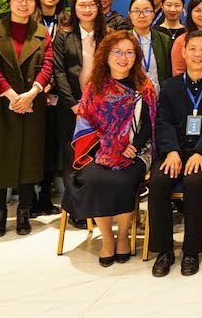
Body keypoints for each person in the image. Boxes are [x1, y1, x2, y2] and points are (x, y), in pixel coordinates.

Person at [63, 31, 156, 266]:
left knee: (123, 180)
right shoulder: (94, 86)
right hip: (98, 150)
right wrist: (105, 148)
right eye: (117, 52)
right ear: (106, 55)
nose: (123, 58)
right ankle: (107, 239)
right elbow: (85, 124)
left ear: (136, 57)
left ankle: (123, 236)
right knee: (94, 179)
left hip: (136, 150)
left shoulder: (144, 86)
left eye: (129, 53)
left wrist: (133, 146)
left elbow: (150, 125)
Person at [148, 30, 202, 277]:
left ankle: (191, 251)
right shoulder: (170, 86)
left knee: (194, 182)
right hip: (175, 151)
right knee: (158, 181)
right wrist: (171, 151)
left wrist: (200, 153)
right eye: (192, 49)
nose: (197, 54)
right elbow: (163, 121)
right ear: (184, 53)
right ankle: (164, 251)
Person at [0, 0, 55, 238]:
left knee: (29, 156)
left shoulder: (41, 32)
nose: (24, 3)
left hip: (33, 104)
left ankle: (24, 211)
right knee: (0, 156)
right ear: (10, 1)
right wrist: (13, 97)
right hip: (2, 103)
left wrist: (32, 93)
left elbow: (48, 65)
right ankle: (0, 213)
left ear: (35, 3)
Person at [52, 0, 108, 191]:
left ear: (98, 7)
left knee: (97, 157)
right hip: (72, 108)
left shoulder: (108, 35)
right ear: (74, 8)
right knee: (71, 157)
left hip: (102, 108)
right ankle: (73, 203)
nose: (87, 9)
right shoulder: (63, 35)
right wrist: (74, 105)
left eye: (91, 5)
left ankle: (93, 201)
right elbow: (59, 72)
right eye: (82, 5)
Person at [32, 0, 69, 217]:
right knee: (34, 143)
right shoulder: (30, 20)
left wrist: (52, 83)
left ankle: (45, 195)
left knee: (53, 144)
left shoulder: (66, 21)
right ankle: (31, 197)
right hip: (32, 91)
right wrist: (39, 85)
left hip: (59, 92)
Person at [127, 0, 174, 90]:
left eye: (147, 11)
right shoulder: (121, 39)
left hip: (159, 94)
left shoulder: (164, 40)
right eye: (136, 11)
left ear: (153, 14)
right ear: (130, 14)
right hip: (130, 94)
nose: (141, 15)